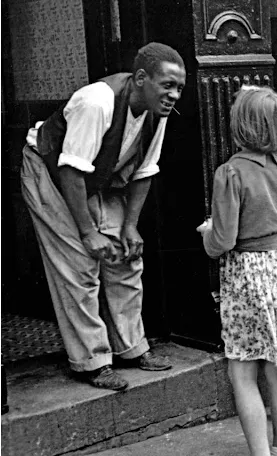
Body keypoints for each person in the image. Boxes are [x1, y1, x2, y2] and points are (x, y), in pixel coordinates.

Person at [21, 42, 186, 391]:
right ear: (141, 78)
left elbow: (144, 171)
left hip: (100, 176)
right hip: (51, 169)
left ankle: (131, 349)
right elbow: (70, 172)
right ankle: (91, 362)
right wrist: (87, 233)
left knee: (126, 256)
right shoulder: (97, 101)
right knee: (78, 264)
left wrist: (129, 227)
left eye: (179, 88)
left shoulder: (159, 113)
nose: (174, 95)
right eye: (167, 85)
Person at [201, 85, 277, 456]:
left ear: (240, 125)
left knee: (243, 371)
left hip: (246, 275)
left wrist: (207, 234)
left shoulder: (231, 173)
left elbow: (224, 240)